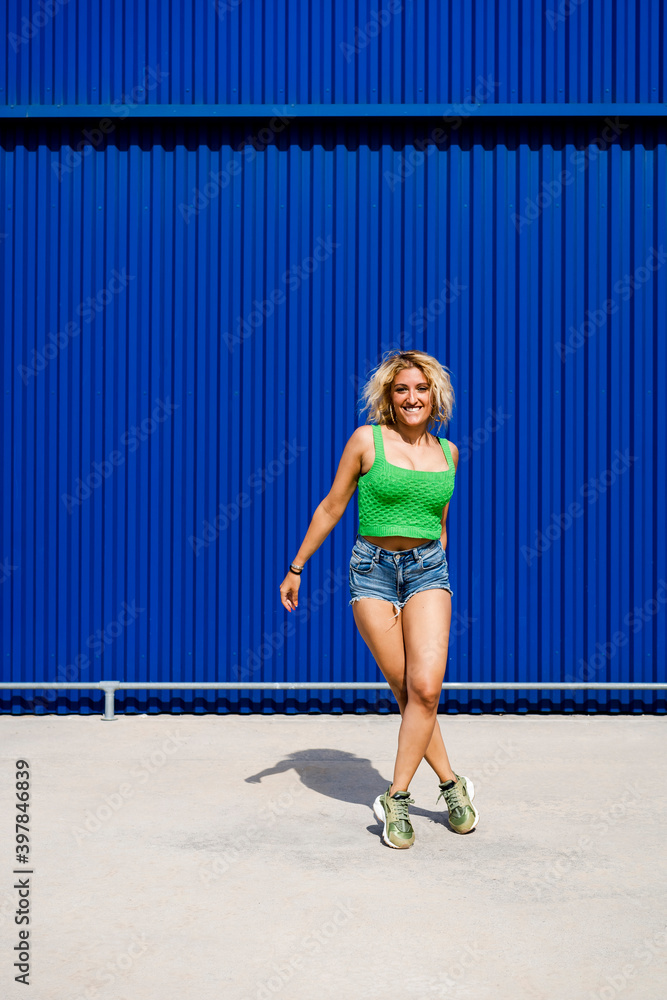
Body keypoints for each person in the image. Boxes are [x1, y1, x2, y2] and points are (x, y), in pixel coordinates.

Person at [279, 349, 478, 850]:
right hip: (372, 572)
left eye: (421, 389)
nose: (412, 398)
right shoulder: (366, 442)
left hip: (428, 570)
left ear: (435, 395)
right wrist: (297, 567)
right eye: (401, 389)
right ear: (388, 396)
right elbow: (331, 505)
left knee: (426, 689)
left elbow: (439, 520)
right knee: (407, 689)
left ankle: (396, 797)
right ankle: (452, 785)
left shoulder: (449, 452)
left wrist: (433, 568)